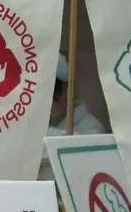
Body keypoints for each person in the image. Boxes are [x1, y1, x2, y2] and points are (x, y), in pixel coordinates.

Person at [38, 52, 105, 180]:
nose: (44, 103)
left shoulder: (91, 128)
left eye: (51, 95)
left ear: (67, 90)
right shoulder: (40, 125)